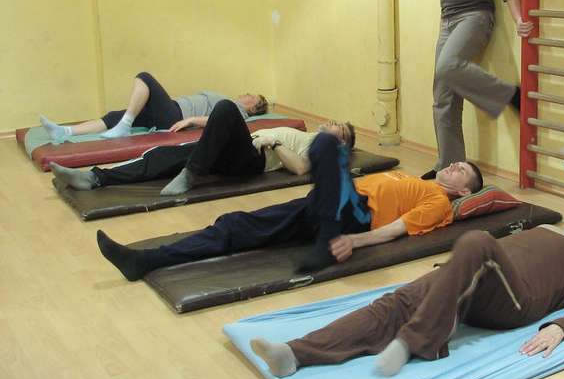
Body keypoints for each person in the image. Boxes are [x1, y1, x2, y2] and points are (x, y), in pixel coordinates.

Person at [249, 225, 564, 378]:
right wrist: (452, 273)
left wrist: (561, 328)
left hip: (518, 298)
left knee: (478, 240)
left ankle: (418, 341)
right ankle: (295, 353)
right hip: (475, 277)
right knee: (395, 302)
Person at [96, 132, 483, 279]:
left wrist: (350, 242)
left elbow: (396, 231)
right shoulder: (415, 179)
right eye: (456, 162)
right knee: (235, 225)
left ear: (465, 191)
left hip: (353, 216)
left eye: (461, 170)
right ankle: (145, 260)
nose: (453, 165)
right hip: (327, 205)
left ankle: (326, 241)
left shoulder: (438, 202)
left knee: (327, 145)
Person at [421, 0, 535, 179]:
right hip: (447, 22)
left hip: (475, 17)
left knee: (447, 66)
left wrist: (519, 19)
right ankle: (449, 167)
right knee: (442, 96)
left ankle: (508, 94)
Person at [50, 97, 354, 196]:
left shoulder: (321, 146)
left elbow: (300, 168)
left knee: (226, 107)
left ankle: (191, 173)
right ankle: (95, 177)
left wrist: (273, 142)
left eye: (338, 128)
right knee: (164, 155)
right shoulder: (311, 135)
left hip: (252, 160)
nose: (331, 122)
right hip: (241, 149)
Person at [39, 71, 267, 142]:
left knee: (144, 77)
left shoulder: (239, 112)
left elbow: (217, 121)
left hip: (175, 116)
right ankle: (64, 131)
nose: (246, 93)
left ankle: (125, 126)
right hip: (171, 111)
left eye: (251, 96)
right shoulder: (229, 100)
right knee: (114, 116)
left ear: (253, 107)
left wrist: (190, 120)